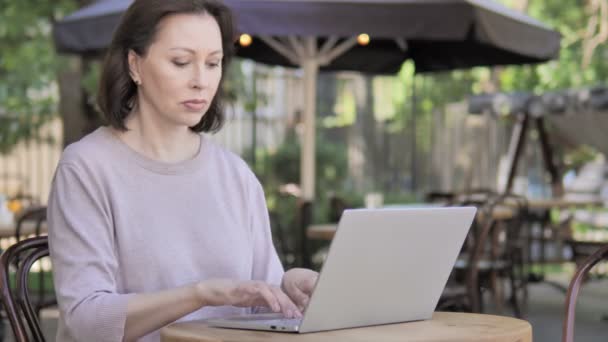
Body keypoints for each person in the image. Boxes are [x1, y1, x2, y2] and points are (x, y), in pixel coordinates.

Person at [47, 1, 318, 341]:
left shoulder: (235, 175)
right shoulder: (86, 169)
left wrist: (287, 288)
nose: (201, 81)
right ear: (135, 65)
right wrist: (200, 294)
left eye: (213, 63)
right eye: (181, 62)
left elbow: (261, 300)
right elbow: (85, 322)